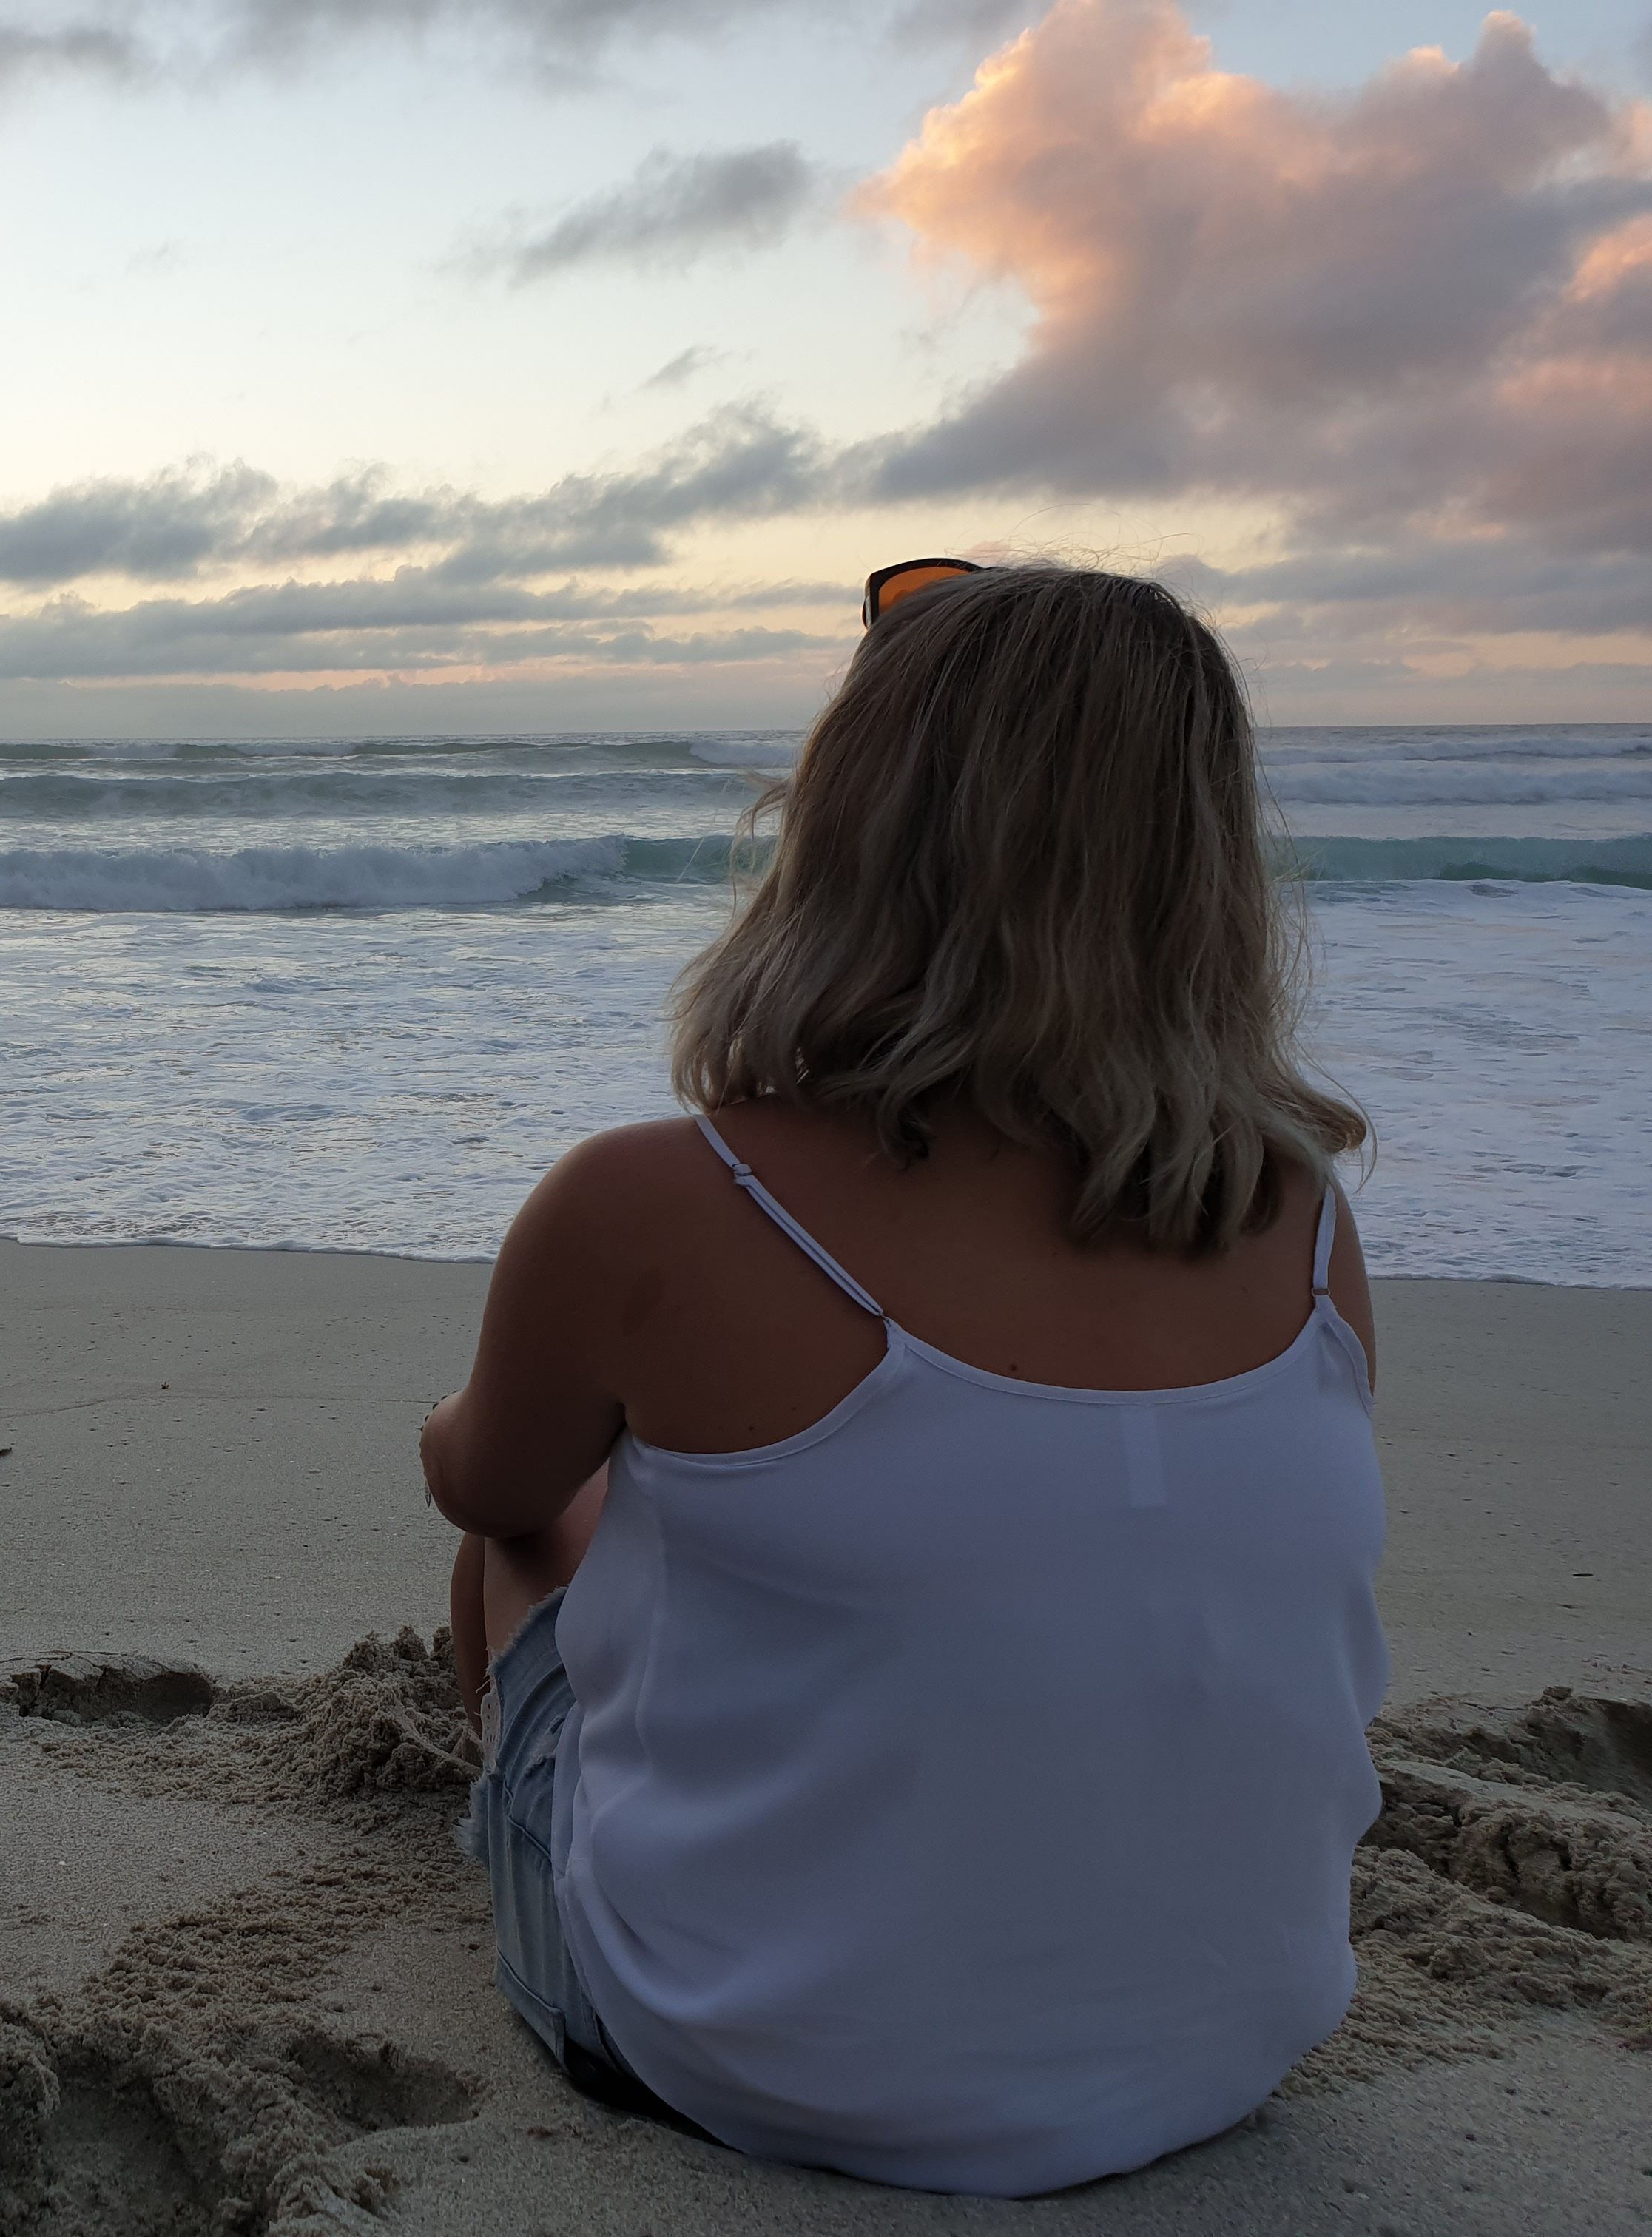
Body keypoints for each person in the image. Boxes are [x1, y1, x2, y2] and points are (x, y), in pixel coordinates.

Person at [424, 561, 1386, 2199]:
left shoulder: (651, 1203)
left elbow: (486, 1484)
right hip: (1233, 2053)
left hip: (737, 2063)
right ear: (1202, 869)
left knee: (530, 1532)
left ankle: (580, 1889)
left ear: (848, 824)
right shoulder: (1299, 1216)